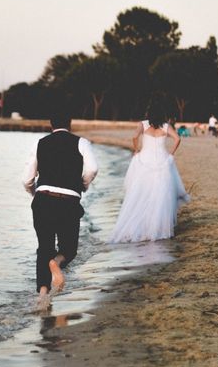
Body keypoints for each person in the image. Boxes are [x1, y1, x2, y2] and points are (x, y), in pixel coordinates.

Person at [23, 108, 98, 306]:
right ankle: (55, 263)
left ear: (51, 124)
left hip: (43, 200)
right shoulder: (81, 142)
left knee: (44, 247)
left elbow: (27, 178)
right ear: (70, 123)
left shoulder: (39, 143)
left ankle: (42, 295)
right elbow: (92, 168)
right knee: (69, 249)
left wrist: (35, 193)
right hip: (68, 201)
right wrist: (82, 185)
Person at [110, 98, 190, 243]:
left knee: (142, 194)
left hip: (144, 161)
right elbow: (177, 139)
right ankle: (159, 229)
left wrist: (136, 150)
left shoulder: (143, 124)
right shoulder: (166, 126)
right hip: (162, 162)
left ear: (149, 112)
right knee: (160, 196)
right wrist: (171, 154)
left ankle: (143, 227)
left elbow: (134, 136)